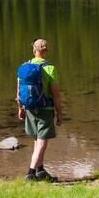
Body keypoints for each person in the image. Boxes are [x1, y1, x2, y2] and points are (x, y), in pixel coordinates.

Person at [17, 38, 63, 182]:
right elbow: (55, 94)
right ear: (46, 51)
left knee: (37, 142)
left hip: (29, 108)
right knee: (42, 144)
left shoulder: (24, 67)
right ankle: (30, 174)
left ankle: (41, 171)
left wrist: (20, 108)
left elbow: (18, 91)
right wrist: (59, 112)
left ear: (34, 51)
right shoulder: (50, 69)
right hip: (45, 109)